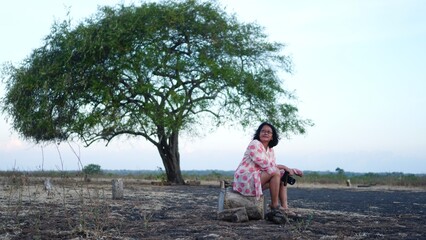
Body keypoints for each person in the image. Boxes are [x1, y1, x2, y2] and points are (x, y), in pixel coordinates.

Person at [233, 122, 303, 217]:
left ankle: (285, 208)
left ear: (272, 137)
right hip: (246, 178)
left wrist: (290, 170)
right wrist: (285, 167)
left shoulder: (270, 150)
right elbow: (264, 164)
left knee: (283, 176)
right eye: (263, 131)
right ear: (259, 134)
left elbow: (272, 166)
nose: (265, 133)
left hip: (258, 177)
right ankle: (274, 206)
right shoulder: (255, 144)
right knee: (276, 171)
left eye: (269, 132)